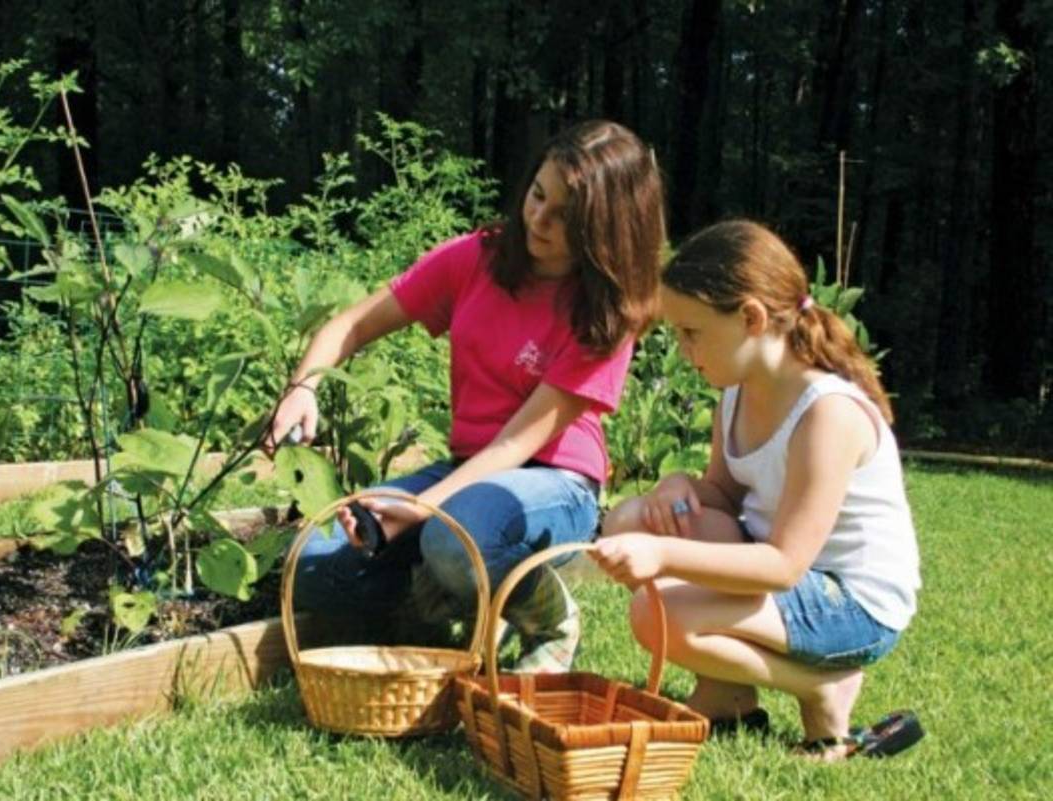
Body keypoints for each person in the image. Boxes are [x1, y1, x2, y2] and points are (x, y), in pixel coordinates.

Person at [270, 119, 665, 672]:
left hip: (554, 481)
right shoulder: (478, 257)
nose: (538, 220)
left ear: (606, 230)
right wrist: (302, 386)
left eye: (564, 218)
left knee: (455, 539)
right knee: (314, 566)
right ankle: (452, 593)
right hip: (467, 472)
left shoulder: (605, 315)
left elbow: (514, 445)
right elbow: (352, 325)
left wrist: (418, 508)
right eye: (537, 195)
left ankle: (549, 616)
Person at [592, 219, 923, 759]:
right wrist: (679, 484)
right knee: (634, 518)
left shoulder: (828, 415)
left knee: (656, 613)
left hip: (852, 603)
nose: (681, 349)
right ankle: (727, 694)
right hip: (781, 571)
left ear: (751, 318)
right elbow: (722, 497)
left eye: (691, 332)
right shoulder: (737, 396)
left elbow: (785, 565)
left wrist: (661, 554)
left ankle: (821, 685)